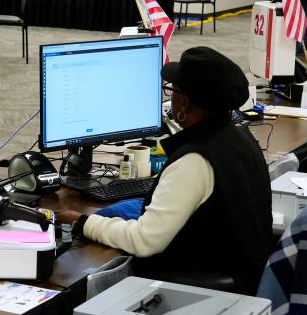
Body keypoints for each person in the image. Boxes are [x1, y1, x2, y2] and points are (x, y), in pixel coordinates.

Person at [54, 48, 273, 294]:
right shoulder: (239, 136)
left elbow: (144, 241)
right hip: (246, 275)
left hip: (201, 293)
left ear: (185, 103)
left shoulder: (194, 161)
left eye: (173, 91)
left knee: (72, 282)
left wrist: (83, 222)